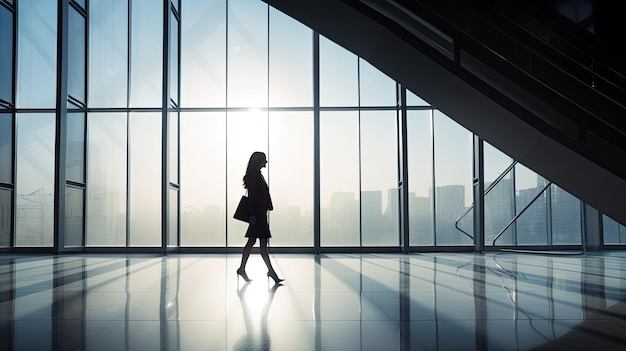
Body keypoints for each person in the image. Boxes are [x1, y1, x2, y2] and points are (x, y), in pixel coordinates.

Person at [236, 151, 284, 285]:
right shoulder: (254, 176)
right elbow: (252, 197)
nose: (266, 162)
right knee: (261, 244)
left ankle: (242, 269)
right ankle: (270, 272)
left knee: (253, 242)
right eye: (264, 160)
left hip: (259, 214)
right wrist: (252, 214)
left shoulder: (257, 175)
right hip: (257, 215)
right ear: (259, 161)